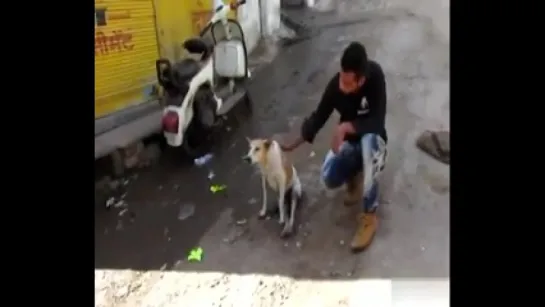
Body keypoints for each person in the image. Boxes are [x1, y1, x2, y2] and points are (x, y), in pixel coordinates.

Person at [280, 42, 388, 253]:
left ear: (361, 79)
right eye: (341, 79)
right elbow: (318, 117)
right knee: (329, 176)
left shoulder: (375, 77)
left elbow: (377, 121)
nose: (342, 87)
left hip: (375, 145)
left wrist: (346, 127)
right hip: (352, 145)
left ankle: (370, 216)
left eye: (348, 84)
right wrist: (292, 143)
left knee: (369, 141)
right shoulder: (335, 87)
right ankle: (354, 179)